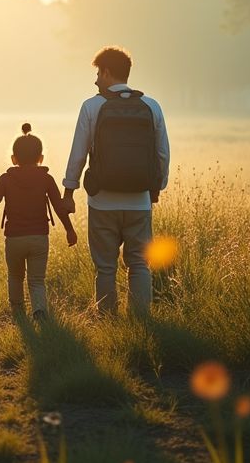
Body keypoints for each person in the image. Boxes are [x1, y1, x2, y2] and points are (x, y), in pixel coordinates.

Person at [62, 47, 170, 316]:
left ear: (107, 72)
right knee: (140, 263)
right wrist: (156, 188)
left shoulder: (92, 106)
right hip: (139, 200)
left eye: (98, 73)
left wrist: (69, 190)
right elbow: (162, 153)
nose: (96, 79)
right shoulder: (151, 106)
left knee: (106, 266)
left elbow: (78, 153)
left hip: (101, 201)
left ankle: (107, 321)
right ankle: (141, 321)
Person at [0, 123, 77, 320]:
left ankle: (18, 312)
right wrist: (70, 230)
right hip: (39, 238)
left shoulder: (6, 179)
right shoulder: (47, 179)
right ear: (41, 158)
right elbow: (59, 208)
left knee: (15, 277)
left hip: (14, 239)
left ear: (13, 159)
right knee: (37, 280)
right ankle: (39, 311)